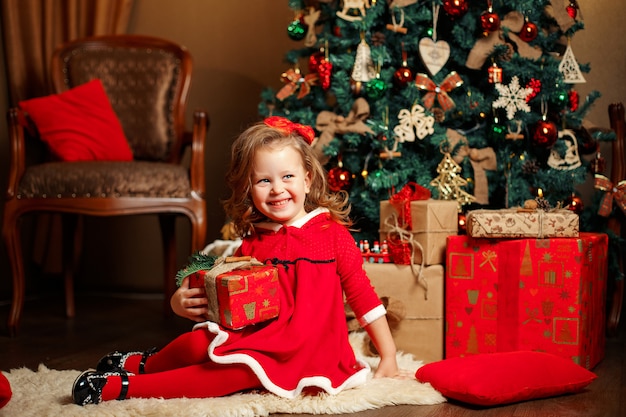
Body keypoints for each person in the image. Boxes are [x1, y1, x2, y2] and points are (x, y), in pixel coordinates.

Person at [72, 116, 404, 405]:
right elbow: (223, 290)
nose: (277, 189)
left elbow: (363, 296)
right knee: (199, 341)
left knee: (232, 372)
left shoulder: (331, 235)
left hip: (306, 352)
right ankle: (145, 364)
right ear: (249, 187)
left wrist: (387, 355)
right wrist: (180, 301)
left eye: (287, 177)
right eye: (264, 180)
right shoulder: (254, 239)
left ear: (307, 179)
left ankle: (125, 387)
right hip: (258, 334)